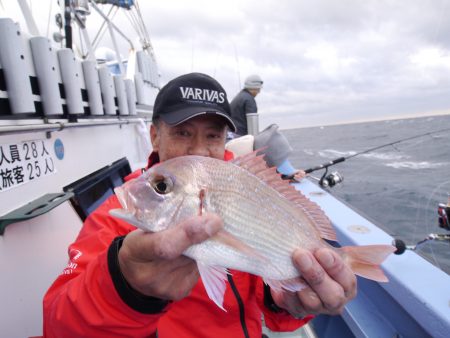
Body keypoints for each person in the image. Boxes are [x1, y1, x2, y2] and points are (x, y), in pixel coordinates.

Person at [43, 72, 356, 337]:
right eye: (182, 133)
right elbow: (58, 323)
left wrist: (288, 302)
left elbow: (272, 296)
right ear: (154, 136)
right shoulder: (120, 213)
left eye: (212, 136)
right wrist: (125, 287)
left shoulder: (245, 188)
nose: (199, 150)